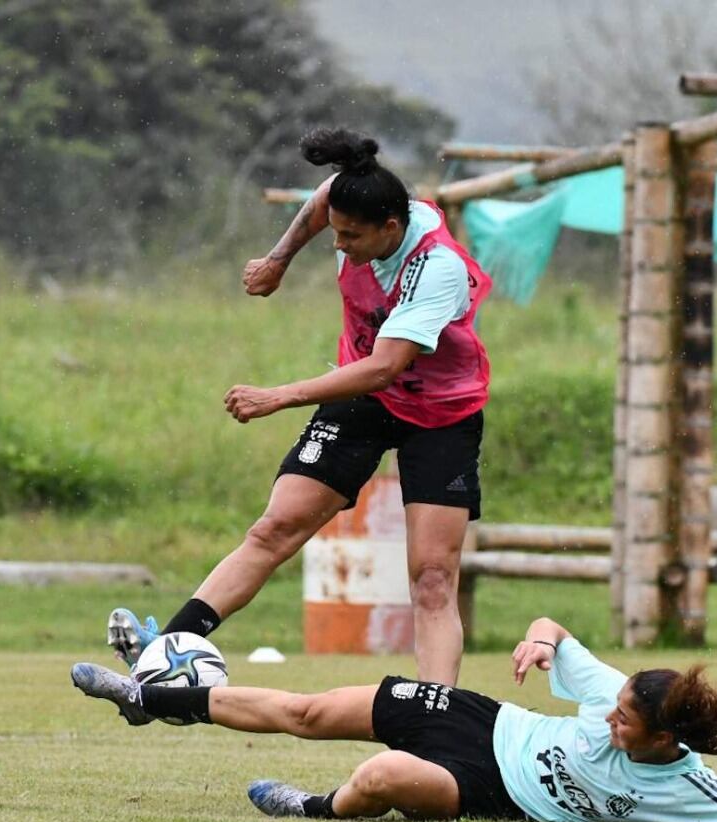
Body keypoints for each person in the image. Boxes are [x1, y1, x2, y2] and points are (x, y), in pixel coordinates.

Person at [107, 127, 492, 686]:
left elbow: (387, 366)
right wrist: (278, 258)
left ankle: (435, 722)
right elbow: (320, 203)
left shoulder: (437, 268)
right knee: (275, 528)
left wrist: (278, 396)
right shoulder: (352, 197)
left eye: (351, 237)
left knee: (432, 577)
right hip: (361, 396)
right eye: (336, 233)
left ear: (391, 227)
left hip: (440, 412)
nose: (339, 246)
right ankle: (157, 660)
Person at [71, 616, 717, 822]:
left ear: (662, 739)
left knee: (381, 780)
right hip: (480, 715)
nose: (608, 718)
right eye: (612, 708)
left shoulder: (689, 785)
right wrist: (539, 640)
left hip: (484, 787)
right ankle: (144, 697)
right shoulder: (622, 693)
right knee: (304, 709)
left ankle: (312, 809)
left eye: (622, 721)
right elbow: (558, 634)